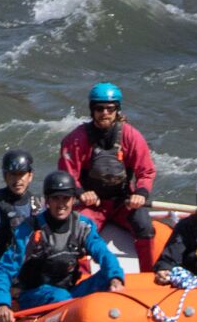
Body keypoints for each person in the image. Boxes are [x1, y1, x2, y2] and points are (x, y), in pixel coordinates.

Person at [0, 172, 127, 317]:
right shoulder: (30, 229)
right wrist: (1, 303)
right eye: (56, 198)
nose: (61, 205)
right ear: (47, 201)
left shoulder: (83, 226)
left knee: (108, 277)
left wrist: (115, 278)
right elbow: (6, 268)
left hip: (69, 291)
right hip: (33, 294)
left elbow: (104, 254)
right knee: (60, 297)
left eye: (66, 198)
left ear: (73, 200)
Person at [57, 80, 157, 267]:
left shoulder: (131, 136)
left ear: (117, 110)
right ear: (92, 110)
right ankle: (80, 277)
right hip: (93, 204)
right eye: (99, 108)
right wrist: (80, 193)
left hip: (123, 202)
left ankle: (149, 274)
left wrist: (141, 194)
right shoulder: (76, 139)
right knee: (78, 231)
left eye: (110, 109)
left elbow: (146, 171)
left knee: (144, 226)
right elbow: (68, 176)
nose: (104, 113)